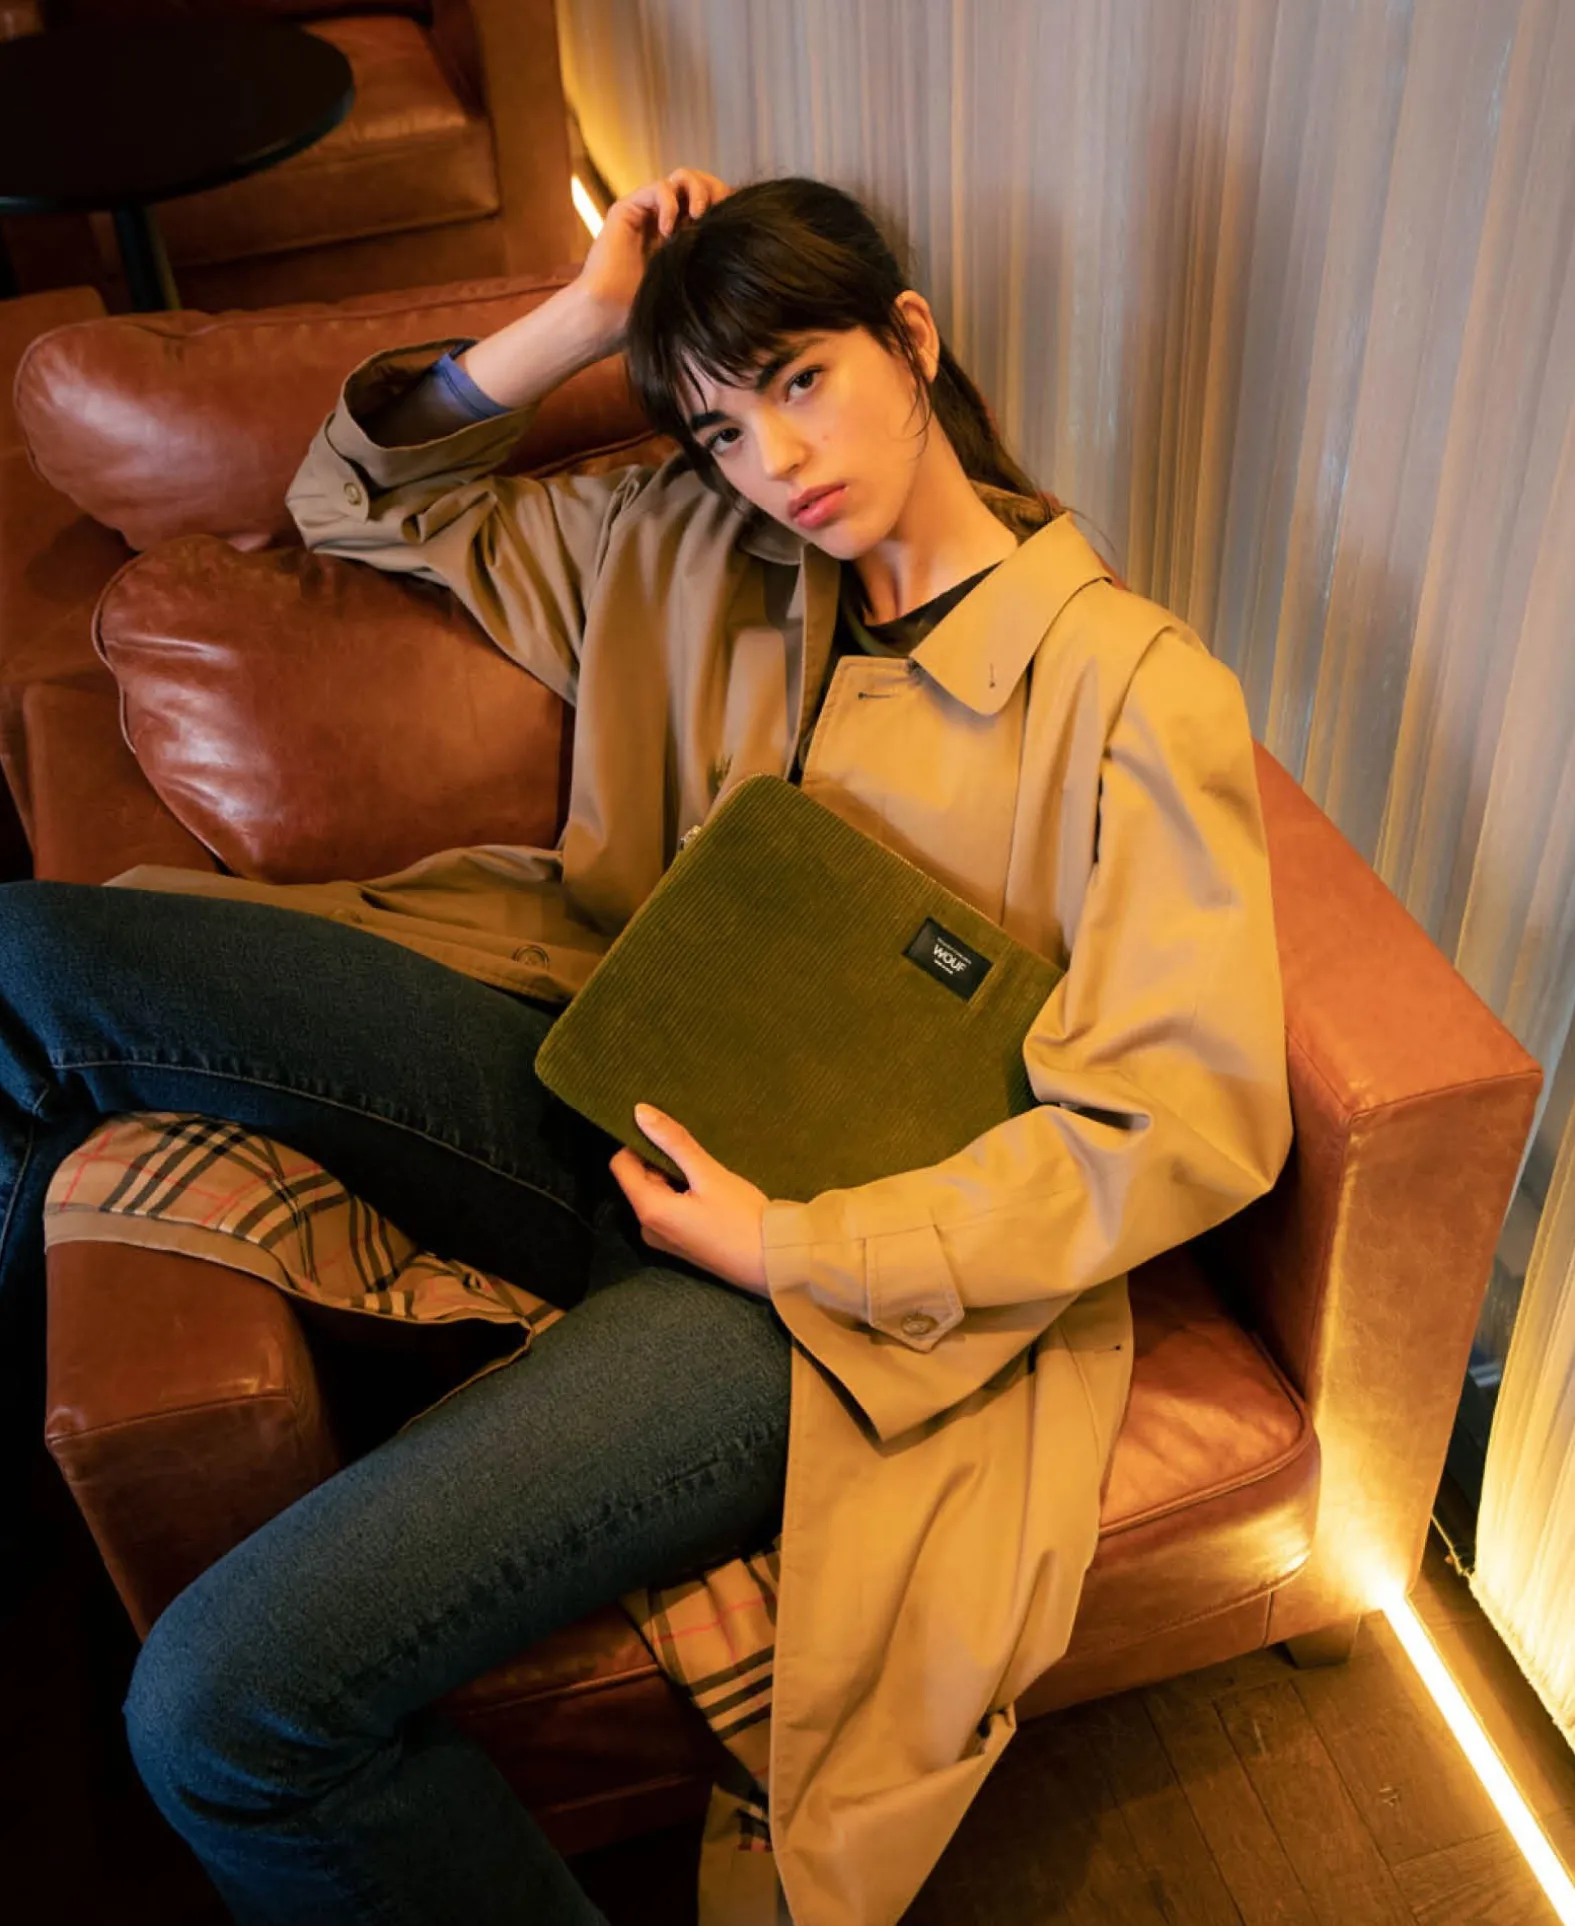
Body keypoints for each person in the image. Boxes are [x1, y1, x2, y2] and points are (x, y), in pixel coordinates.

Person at [0, 169, 1292, 1923]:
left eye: (804, 380)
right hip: (582, 1073)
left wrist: (795, 1246)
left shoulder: (1128, 691)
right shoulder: (689, 546)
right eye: (722, 426)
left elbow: (1181, 1120)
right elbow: (350, 497)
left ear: (911, 341)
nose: (779, 458)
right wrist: (586, 316)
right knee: (32, 949)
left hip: (803, 1296)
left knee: (219, 1710)